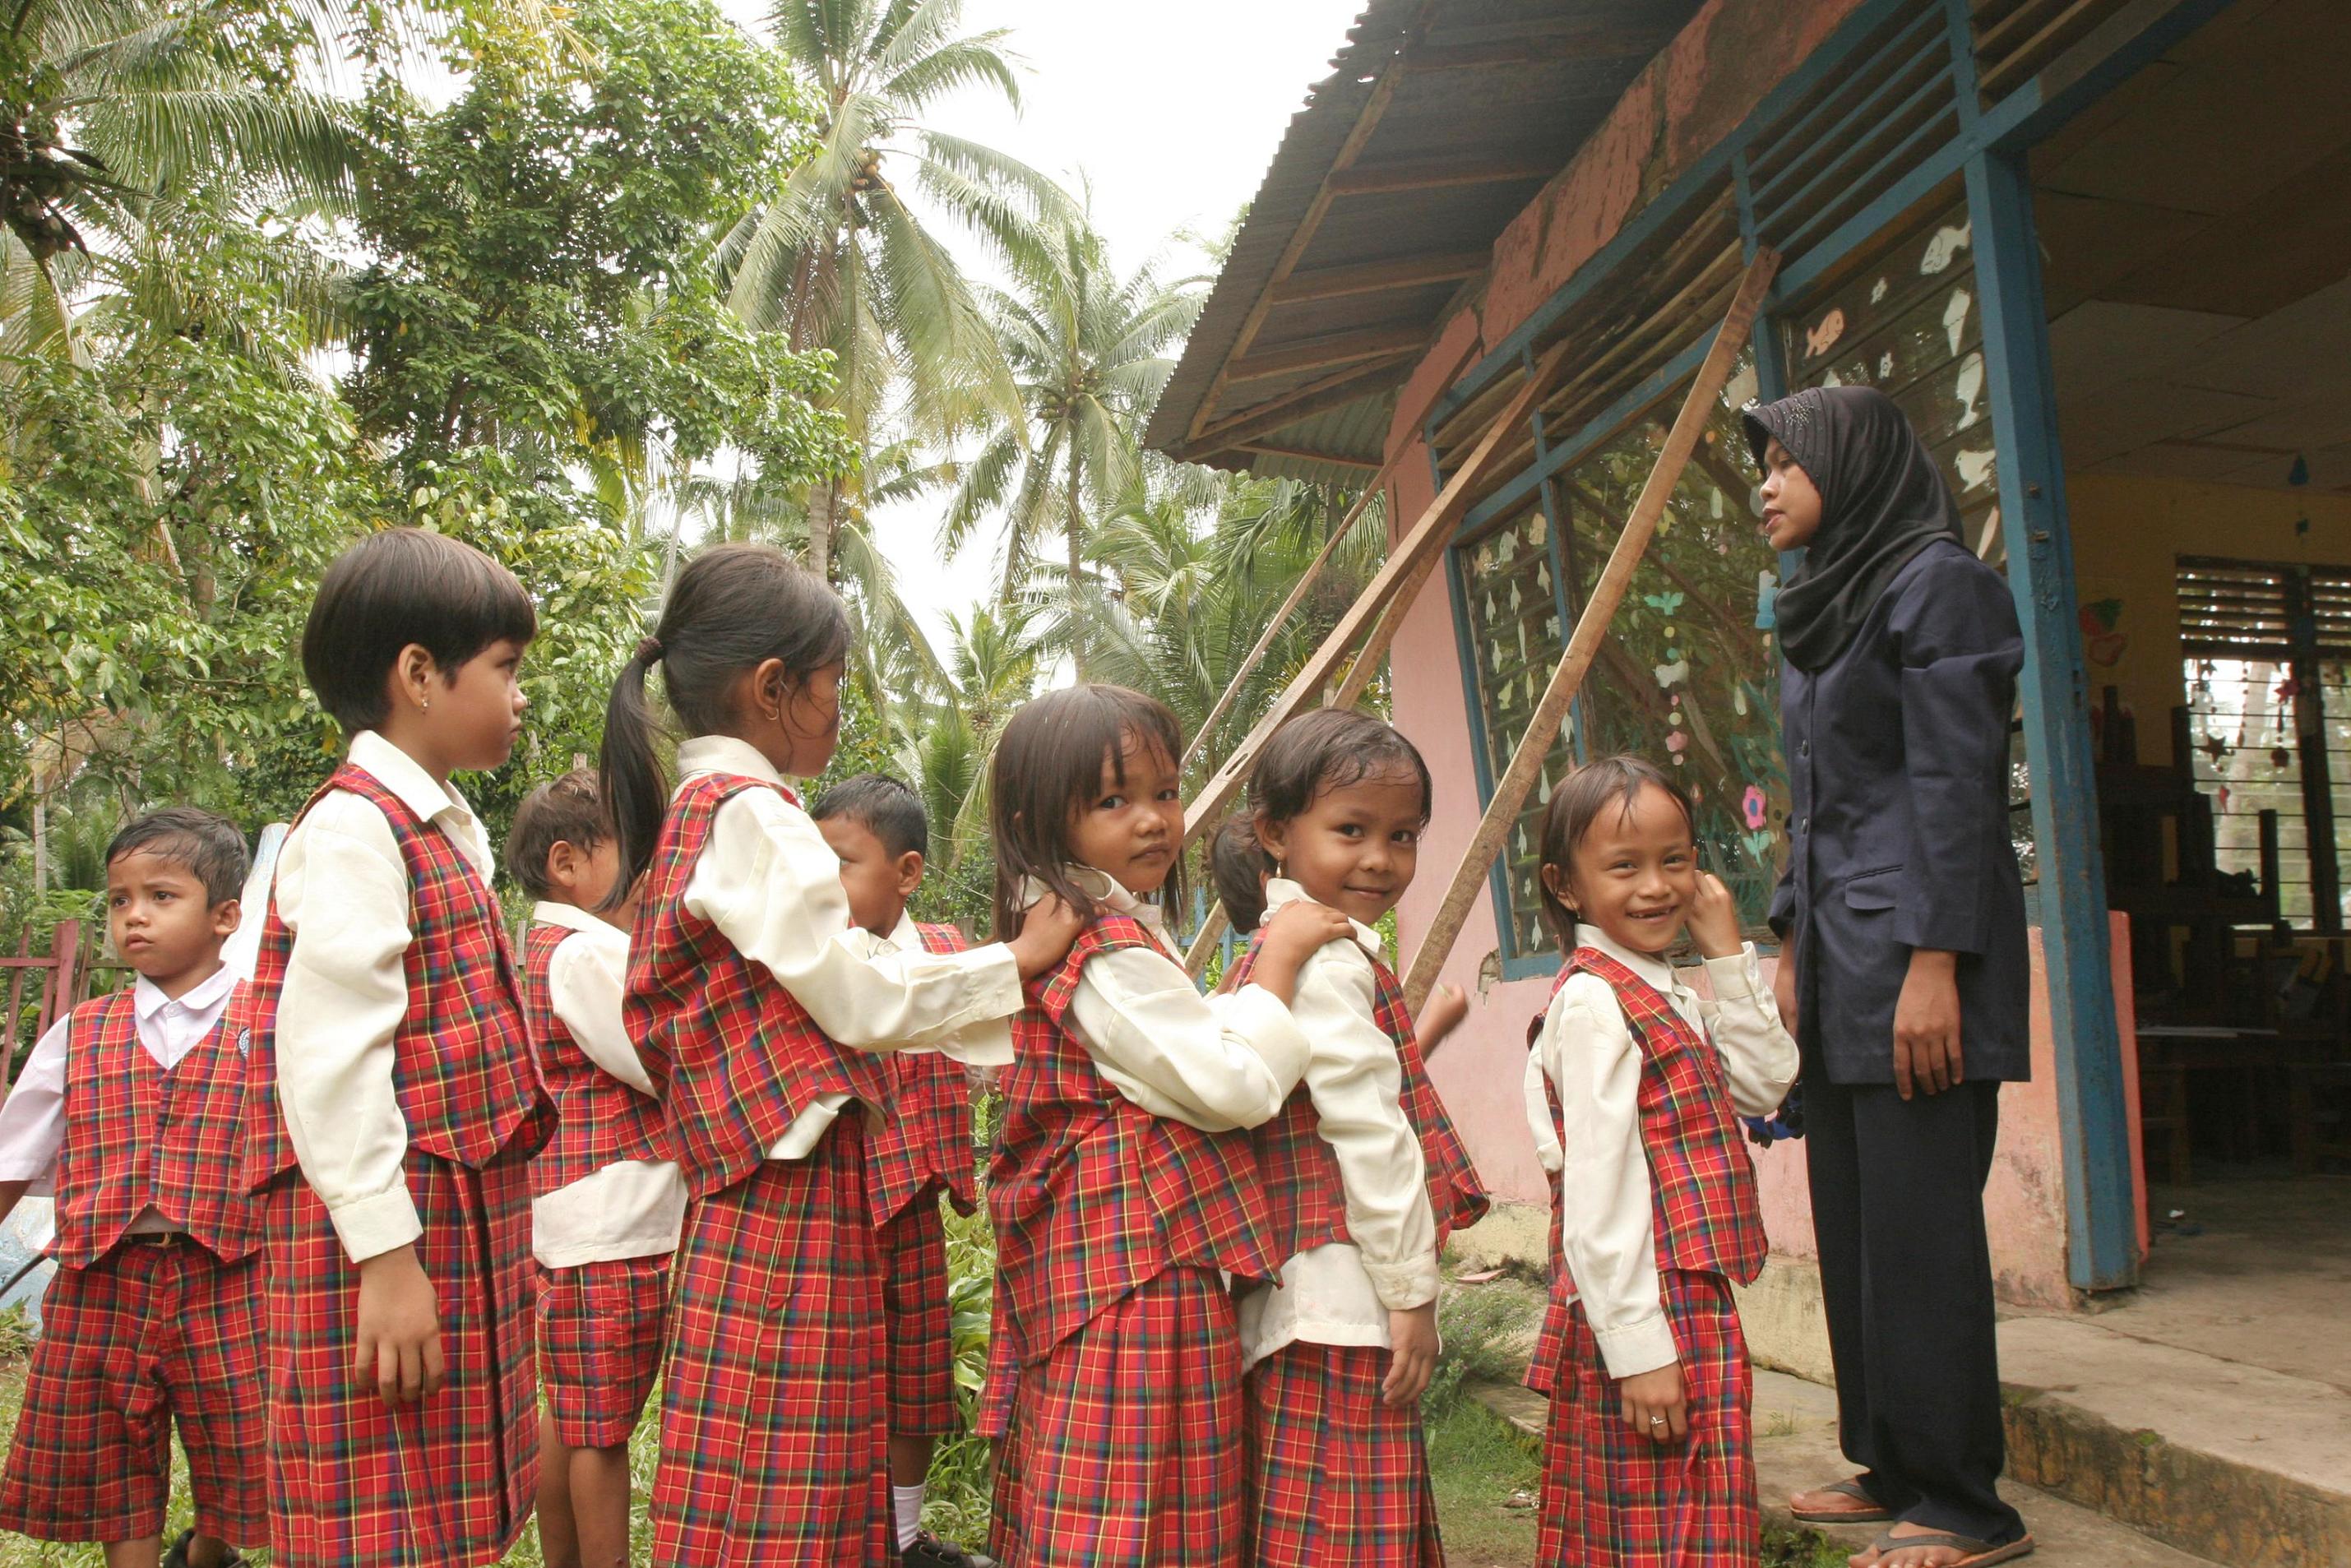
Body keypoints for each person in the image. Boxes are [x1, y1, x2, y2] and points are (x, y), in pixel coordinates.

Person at [599, 543, 1081, 1566]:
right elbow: (857, 992)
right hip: (793, 1188)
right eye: (831, 685)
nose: (836, 705)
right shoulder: (756, 815)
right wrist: (1019, 958)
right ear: (774, 689)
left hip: (750, 1185)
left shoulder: (701, 813)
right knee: (795, 1482)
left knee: (754, 1464)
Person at [1747, 386, 2035, 1568]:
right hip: (1840, 960)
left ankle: (1965, 1504)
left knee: (1920, 1238)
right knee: (1858, 1227)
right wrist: (1785, 938)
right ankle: (1889, 1463)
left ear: (1849, 463)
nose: (1762, 484)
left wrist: (1934, 965)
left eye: (1782, 461)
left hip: (1920, 963)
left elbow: (1954, 791)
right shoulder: (1825, 600)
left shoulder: (1936, 584)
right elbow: (1820, 800)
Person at [982, 683, 1351, 1568]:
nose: (1151, 819)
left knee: (1126, 1497)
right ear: (1041, 818)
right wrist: (1283, 957)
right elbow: (1231, 1084)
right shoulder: (1103, 948)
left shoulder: (1101, 930)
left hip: (1115, 1257)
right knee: (1135, 1504)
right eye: (1113, 799)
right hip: (1137, 1267)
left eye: (1164, 790)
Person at [240, 527, 550, 1568]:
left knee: (444, 1511)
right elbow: (329, 1055)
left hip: (446, 1223)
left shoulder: (436, 820)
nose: (519, 696)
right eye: (505, 668)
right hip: (388, 1238)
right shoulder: (352, 831)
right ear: (419, 673)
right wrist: (385, 1256)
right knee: (383, 1518)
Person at [1520, 756, 1798, 1568]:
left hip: (1684, 1298)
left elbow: (1763, 1080)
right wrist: (1639, 1352)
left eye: (1674, 859)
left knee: (1688, 1519)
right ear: (1566, 886)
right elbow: (1597, 1197)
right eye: (1624, 866)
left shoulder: (1660, 984)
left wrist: (1727, 957)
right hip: (1645, 1304)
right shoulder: (1594, 1002)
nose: (1655, 886)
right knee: (1658, 1531)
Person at [1230, 710, 1490, 1566]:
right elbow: (1369, 1134)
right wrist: (1412, 1293)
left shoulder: (1289, 948)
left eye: (1402, 835)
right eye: (1352, 830)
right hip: (1339, 1301)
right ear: (1276, 832)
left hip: (1306, 1297)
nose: (1381, 858)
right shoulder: (1329, 962)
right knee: (1345, 1534)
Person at [0, 810, 262, 1568]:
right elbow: (14, 1154)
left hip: (236, 1273)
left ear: (225, 916)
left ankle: (209, 1556)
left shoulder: (270, 1023)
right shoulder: (82, 1031)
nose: (134, 916)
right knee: (111, 1453)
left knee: (245, 1442)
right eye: (119, 900)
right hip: (102, 1277)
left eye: (160, 896)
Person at [812, 773, 993, 1568]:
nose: (828, 886)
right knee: (841, 1378)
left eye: (844, 864)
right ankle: (847, 1537)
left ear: (908, 872)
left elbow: (992, 1040)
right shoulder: (817, 959)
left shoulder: (953, 951)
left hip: (916, 1198)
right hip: (837, 1206)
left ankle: (904, 1536)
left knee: (918, 1374)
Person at [507, 770, 683, 1568]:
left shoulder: (555, 945)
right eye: (635, 849)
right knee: (601, 1432)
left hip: (581, 1221)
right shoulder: (584, 956)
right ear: (568, 863)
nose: (651, 869)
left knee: (574, 1416)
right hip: (613, 1222)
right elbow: (658, 1063)